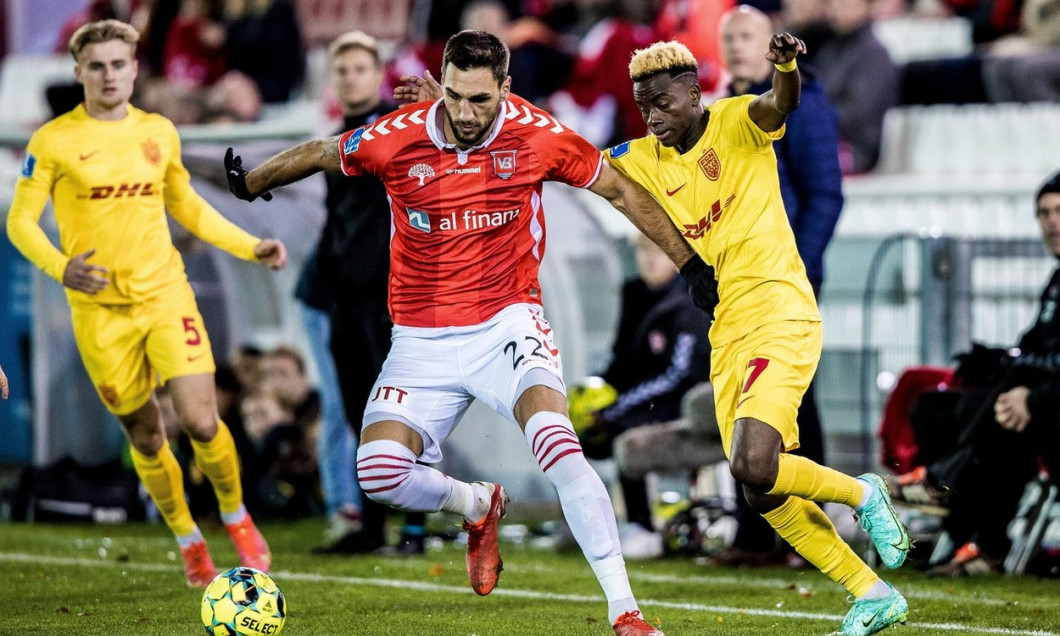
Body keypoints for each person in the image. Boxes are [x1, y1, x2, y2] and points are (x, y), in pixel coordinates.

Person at [225, 28, 701, 636]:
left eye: (482, 99)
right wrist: (253, 182)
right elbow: (323, 152)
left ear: (506, 87)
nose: (467, 113)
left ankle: (625, 612)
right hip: (421, 337)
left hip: (507, 320)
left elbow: (618, 189)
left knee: (559, 445)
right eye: (455, 97)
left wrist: (688, 264)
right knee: (378, 474)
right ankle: (478, 504)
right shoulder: (399, 137)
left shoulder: (538, 135)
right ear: (441, 87)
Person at [603, 38, 910, 635]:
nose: (654, 117)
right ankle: (872, 593)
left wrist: (787, 66)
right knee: (760, 490)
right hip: (729, 332)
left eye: (663, 102)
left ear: (695, 94)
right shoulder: (645, 155)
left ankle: (863, 494)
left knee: (753, 463)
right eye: (645, 108)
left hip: (780, 312)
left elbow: (780, 103)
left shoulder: (736, 120)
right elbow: (584, 166)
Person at [5, 19, 285, 588]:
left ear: (135, 69)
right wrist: (62, 267)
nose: (109, 75)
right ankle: (188, 539)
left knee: (203, 421)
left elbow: (188, 208)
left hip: (164, 294)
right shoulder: (53, 140)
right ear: (80, 71)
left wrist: (249, 245)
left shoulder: (158, 131)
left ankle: (236, 518)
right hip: (100, 313)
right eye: (98, 66)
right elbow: (19, 221)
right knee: (147, 436)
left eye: (119, 64)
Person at [714, 4, 843, 567]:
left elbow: (824, 194)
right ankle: (756, 534)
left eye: (748, 35)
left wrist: (802, 267)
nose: (739, 46)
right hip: (736, 280)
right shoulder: (721, 104)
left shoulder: (803, 102)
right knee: (744, 402)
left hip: (784, 280)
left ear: (771, 42)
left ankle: (798, 538)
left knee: (793, 406)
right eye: (730, 37)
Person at [889, 172, 1060, 576]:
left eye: (1058, 212)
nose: (1051, 221)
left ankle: (987, 544)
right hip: (1041, 403)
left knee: (1009, 414)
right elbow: (1034, 348)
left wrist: (1032, 398)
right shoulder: (1057, 280)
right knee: (930, 408)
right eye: (1043, 213)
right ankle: (963, 533)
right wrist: (999, 360)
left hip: (1051, 411)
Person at [301, 31, 427, 556]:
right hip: (345, 301)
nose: (351, 77)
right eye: (343, 70)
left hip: (391, 299)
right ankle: (374, 529)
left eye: (360, 68)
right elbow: (336, 223)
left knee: (406, 411)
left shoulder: (402, 132)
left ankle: (415, 528)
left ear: (378, 75)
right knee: (358, 412)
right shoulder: (335, 140)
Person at [578, 231, 712, 559]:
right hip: (641, 402)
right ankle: (587, 521)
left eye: (659, 253)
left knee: (624, 431)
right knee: (573, 431)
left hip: (681, 405)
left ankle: (643, 528)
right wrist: (594, 392)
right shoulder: (635, 295)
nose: (650, 261)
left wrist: (617, 407)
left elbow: (679, 375)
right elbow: (619, 360)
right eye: (644, 253)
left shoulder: (690, 301)